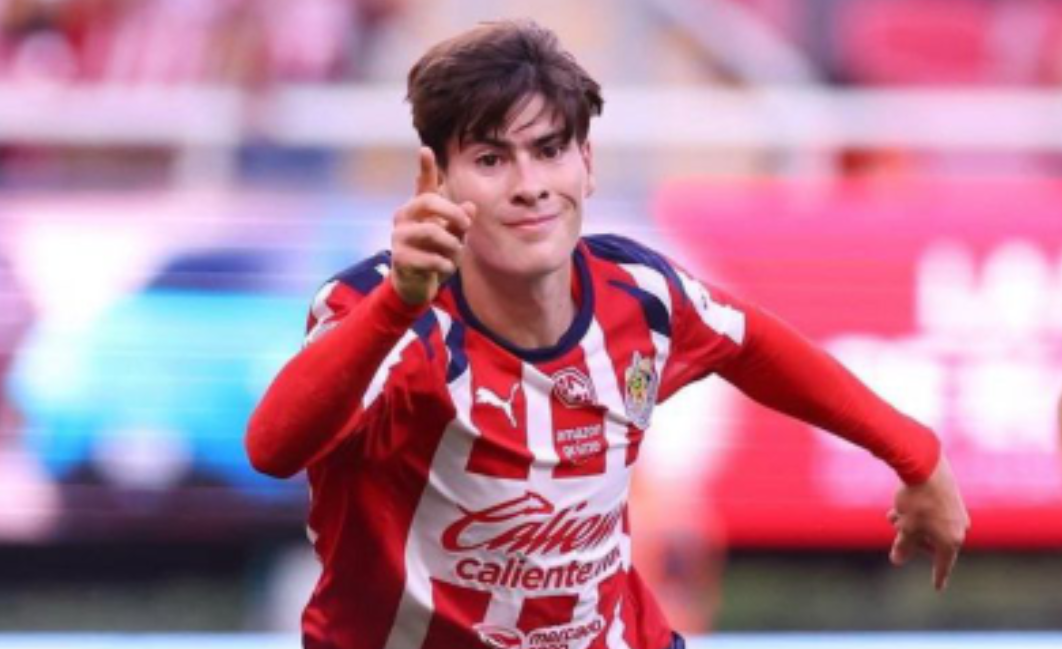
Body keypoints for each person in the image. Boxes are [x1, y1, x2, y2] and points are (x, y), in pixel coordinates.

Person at [246, 19, 970, 649]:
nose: (530, 184)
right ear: (439, 185)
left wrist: (916, 456)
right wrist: (396, 305)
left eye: (550, 150)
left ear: (587, 165)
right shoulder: (377, 311)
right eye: (491, 160)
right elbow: (273, 449)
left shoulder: (641, 296)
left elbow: (753, 343)